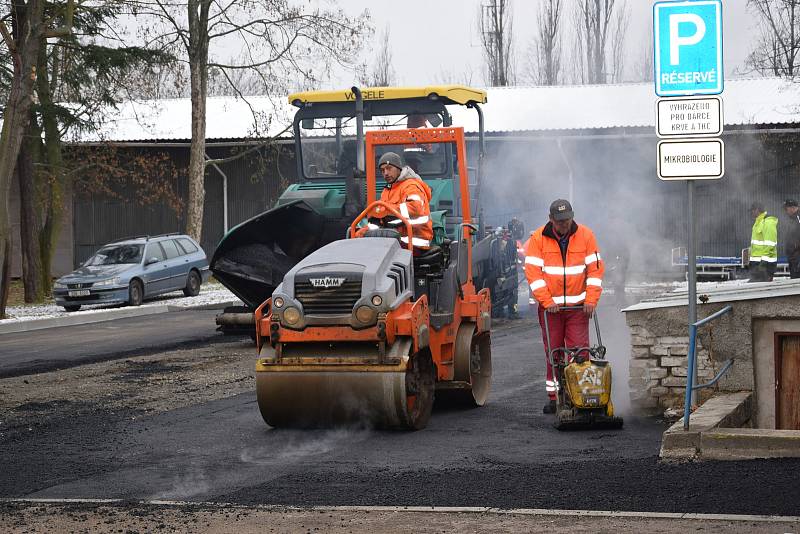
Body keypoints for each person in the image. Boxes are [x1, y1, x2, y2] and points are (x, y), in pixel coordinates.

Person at [524, 199, 604, 414]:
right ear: (551, 220)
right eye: (560, 221)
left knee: (580, 353)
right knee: (554, 353)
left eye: (567, 220)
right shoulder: (538, 239)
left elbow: (595, 272)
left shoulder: (586, 236)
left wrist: (591, 300)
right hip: (551, 310)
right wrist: (547, 301)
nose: (564, 224)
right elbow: (534, 275)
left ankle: (581, 394)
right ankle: (555, 396)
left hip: (578, 308)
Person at [361, 151, 433, 251]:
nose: (385, 173)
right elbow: (382, 219)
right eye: (382, 170)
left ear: (399, 168)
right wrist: (361, 233)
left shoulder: (411, 186)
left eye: (389, 168)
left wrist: (386, 212)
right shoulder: (387, 191)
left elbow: (415, 208)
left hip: (414, 243)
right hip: (394, 241)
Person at [749, 201, 778, 282]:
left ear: (757, 210)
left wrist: (763, 263)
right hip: (757, 265)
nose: (751, 212)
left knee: (761, 291)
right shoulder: (758, 222)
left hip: (765, 266)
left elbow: (770, 244)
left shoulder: (767, 222)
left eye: (752, 210)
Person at [783, 199, 800, 279]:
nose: (786, 211)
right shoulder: (791, 219)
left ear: (793, 208)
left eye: (787, 208)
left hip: (797, 256)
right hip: (792, 255)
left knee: (796, 280)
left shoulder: (798, 218)